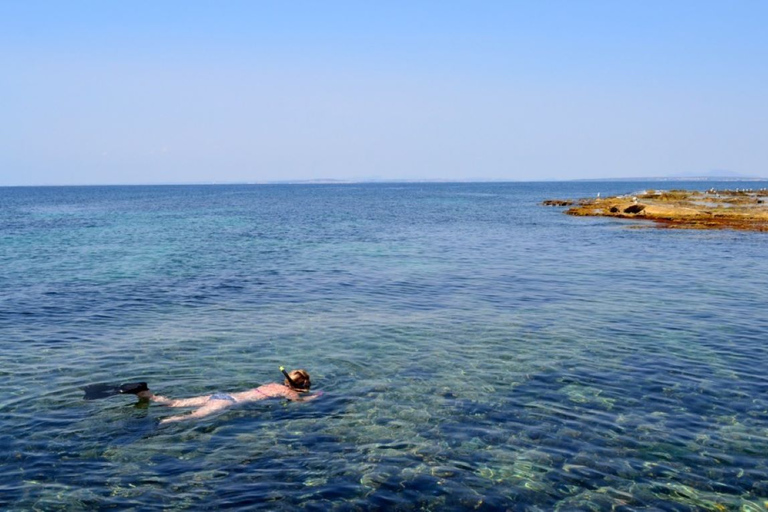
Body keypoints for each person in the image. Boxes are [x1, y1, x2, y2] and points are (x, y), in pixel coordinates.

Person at [136, 369, 321, 424]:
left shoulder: (273, 385)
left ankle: (147, 394)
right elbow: (301, 402)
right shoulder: (287, 392)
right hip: (227, 402)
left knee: (176, 402)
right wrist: (317, 396)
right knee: (192, 417)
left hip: (222, 395)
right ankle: (162, 423)